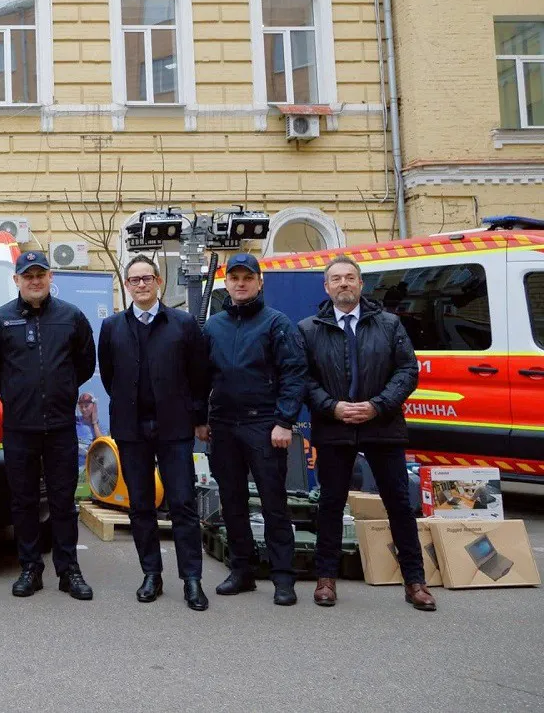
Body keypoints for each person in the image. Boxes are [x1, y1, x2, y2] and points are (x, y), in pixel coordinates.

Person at [298, 255, 434, 611]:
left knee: (399, 505)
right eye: (336, 279)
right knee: (329, 504)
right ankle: (326, 579)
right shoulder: (309, 329)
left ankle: (415, 582)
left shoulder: (389, 325)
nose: (343, 283)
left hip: (383, 426)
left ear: (361, 284)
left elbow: (407, 371)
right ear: (326, 287)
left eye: (350, 277)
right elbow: (302, 378)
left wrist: (377, 405)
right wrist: (332, 407)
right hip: (333, 428)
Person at [0, 251, 96, 600]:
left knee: (63, 501)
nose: (34, 280)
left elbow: (84, 365)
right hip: (19, 425)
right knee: (24, 501)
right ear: (16, 280)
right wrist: (17, 394)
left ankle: (69, 570)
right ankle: (30, 568)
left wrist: (61, 390)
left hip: (60, 426)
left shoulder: (72, 317)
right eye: (27, 275)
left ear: (50, 276)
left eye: (40, 274)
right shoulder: (0, 321)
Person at [98, 254, 211, 611]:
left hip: (174, 427)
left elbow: (199, 376)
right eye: (134, 280)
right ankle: (152, 574)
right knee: (141, 505)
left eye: (148, 278)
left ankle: (192, 579)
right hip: (131, 430)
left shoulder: (183, 324)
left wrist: (198, 417)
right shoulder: (112, 327)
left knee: (182, 503)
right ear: (127, 286)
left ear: (159, 281)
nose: (142, 284)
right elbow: (109, 374)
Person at [200, 253, 306, 606]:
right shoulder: (213, 326)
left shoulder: (277, 324)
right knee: (232, 503)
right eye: (235, 278)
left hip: (265, 424)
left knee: (274, 504)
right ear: (226, 283)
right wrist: (202, 418)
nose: (241, 283)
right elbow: (200, 378)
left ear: (260, 282)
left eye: (248, 277)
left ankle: (283, 578)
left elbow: (294, 374)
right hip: (224, 425)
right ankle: (242, 570)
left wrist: (284, 421)